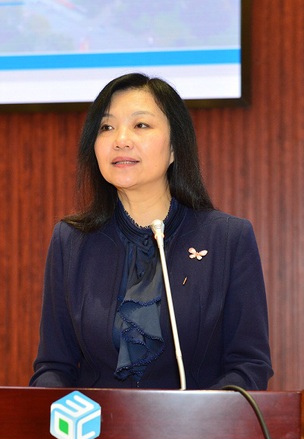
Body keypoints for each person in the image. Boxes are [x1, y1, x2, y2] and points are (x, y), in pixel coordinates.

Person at [29, 73, 272, 390]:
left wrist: (200, 416)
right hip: (94, 421)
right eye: (107, 127)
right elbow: (53, 367)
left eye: (140, 125)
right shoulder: (71, 241)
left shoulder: (227, 239)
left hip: (197, 422)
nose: (121, 139)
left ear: (174, 148)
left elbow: (249, 367)